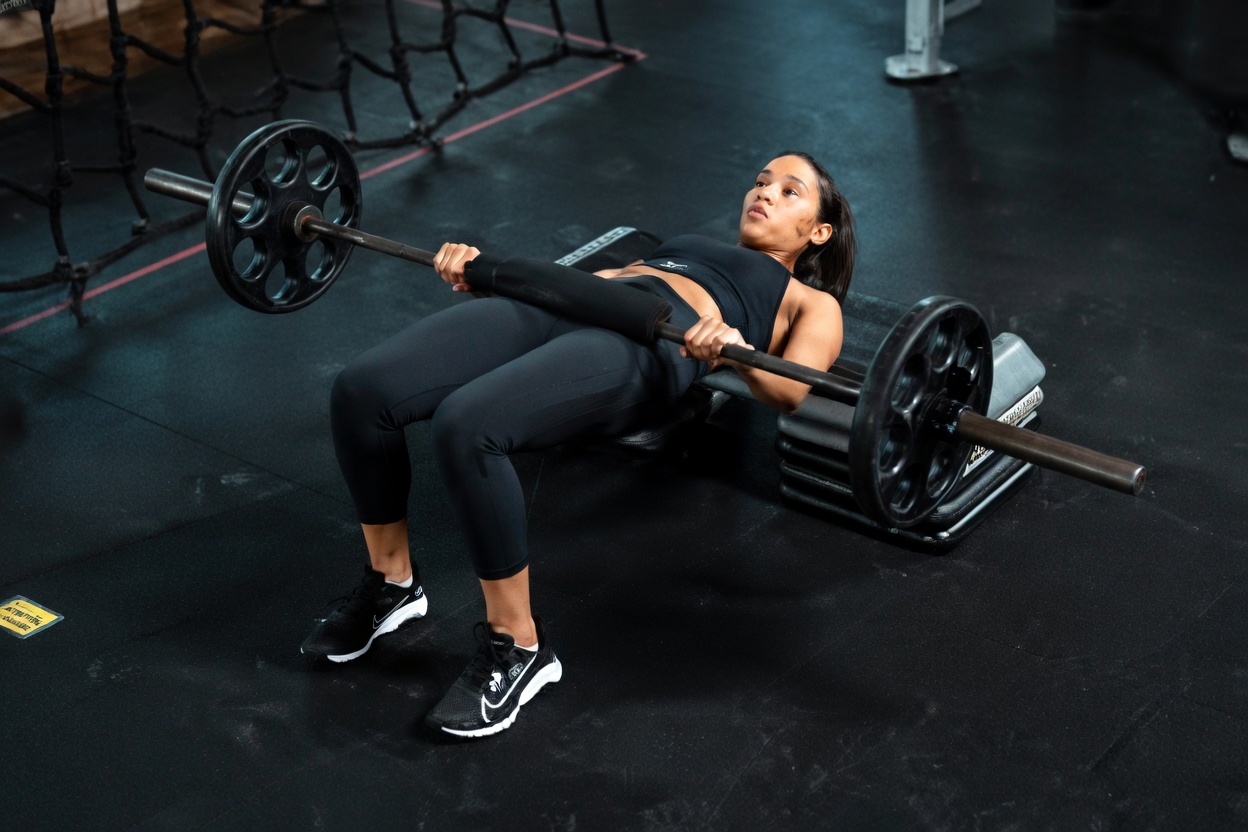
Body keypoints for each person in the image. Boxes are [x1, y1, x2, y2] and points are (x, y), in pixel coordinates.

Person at [300, 152, 856, 738]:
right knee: (362, 391)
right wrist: (484, 273)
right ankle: (391, 584)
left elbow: (793, 389)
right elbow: (605, 281)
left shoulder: (810, 301)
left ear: (817, 232)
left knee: (468, 426)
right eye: (762, 180)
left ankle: (518, 647)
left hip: (653, 344)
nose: (764, 192)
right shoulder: (689, 241)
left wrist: (735, 350)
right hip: (570, 303)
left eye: (789, 191)